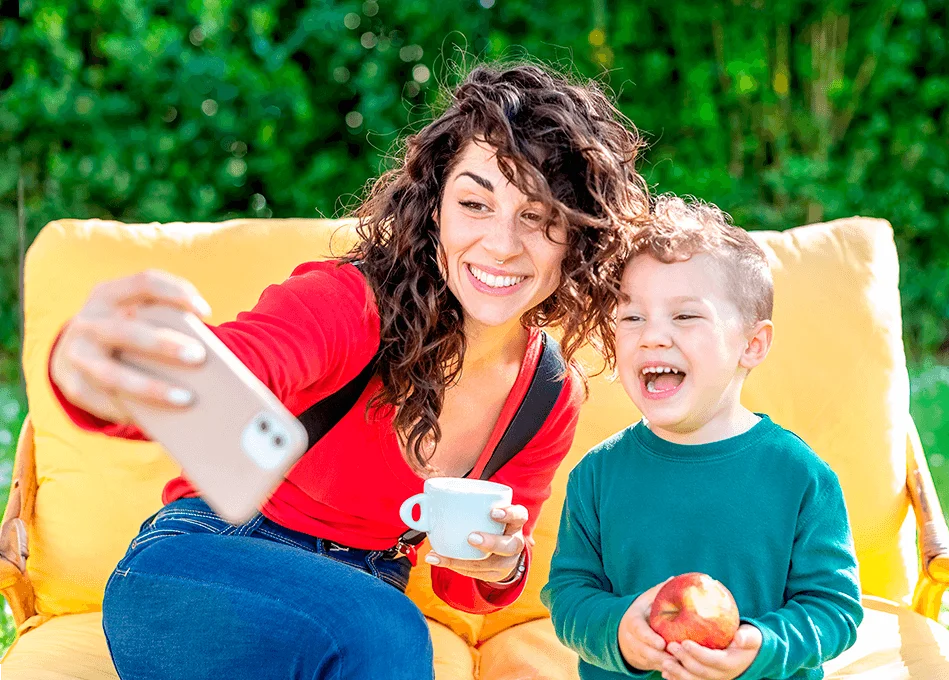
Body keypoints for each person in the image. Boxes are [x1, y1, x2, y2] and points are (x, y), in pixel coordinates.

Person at [49, 62, 651, 679]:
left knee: (378, 624)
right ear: (434, 209)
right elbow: (236, 370)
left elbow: (461, 585)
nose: (501, 244)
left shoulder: (547, 395)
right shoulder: (348, 304)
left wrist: (499, 564)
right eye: (475, 203)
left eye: (537, 215)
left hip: (359, 602)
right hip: (205, 568)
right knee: (386, 628)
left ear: (577, 237)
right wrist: (101, 375)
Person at [541, 195, 864, 680]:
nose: (652, 336)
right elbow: (569, 595)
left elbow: (835, 611)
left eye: (685, 316)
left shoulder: (800, 477)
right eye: (632, 318)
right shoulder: (597, 475)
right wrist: (618, 631)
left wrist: (762, 645)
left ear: (751, 345)